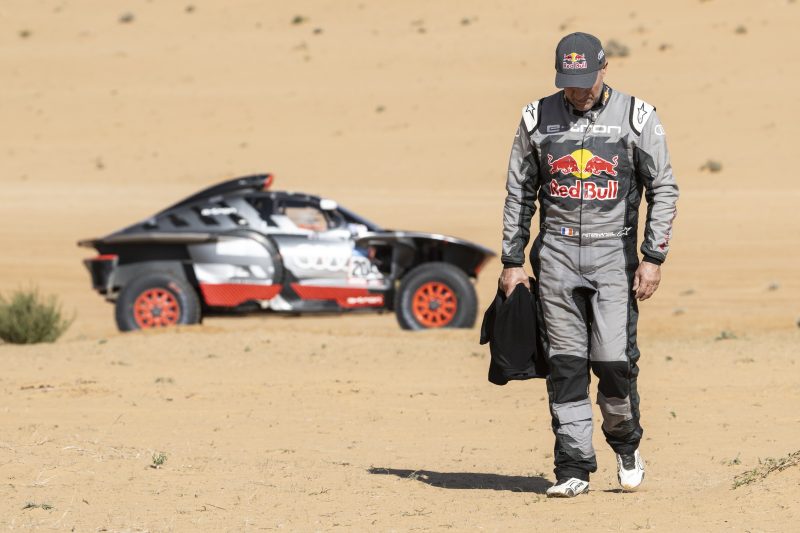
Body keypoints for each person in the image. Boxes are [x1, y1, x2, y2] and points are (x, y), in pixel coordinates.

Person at [500, 32, 679, 497]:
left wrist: (653, 257)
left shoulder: (638, 116)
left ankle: (625, 445)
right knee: (565, 366)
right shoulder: (536, 117)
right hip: (556, 260)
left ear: (604, 69)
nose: (577, 91)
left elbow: (663, 188)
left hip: (613, 260)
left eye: (585, 81)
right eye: (568, 82)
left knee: (613, 363)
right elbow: (519, 191)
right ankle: (573, 467)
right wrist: (512, 260)